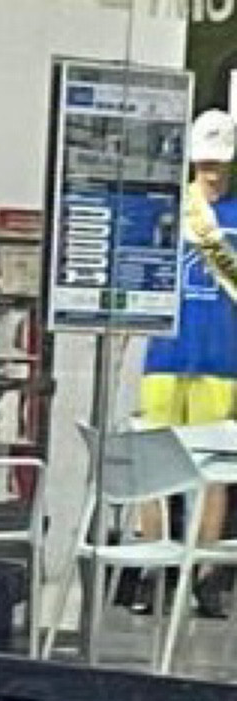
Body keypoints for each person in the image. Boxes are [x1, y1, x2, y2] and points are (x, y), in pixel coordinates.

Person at [135, 107, 237, 618]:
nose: (211, 171)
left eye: (218, 161)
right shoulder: (172, 209)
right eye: (204, 161)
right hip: (165, 356)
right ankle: (153, 570)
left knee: (213, 471)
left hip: (221, 359)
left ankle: (204, 576)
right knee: (152, 465)